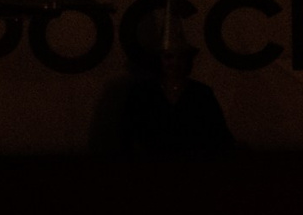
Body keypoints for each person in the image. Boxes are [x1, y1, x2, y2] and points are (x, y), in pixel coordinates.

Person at [91, 38, 236, 158]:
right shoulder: (142, 93)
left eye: (181, 57)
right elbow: (127, 132)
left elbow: (218, 133)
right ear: (159, 60)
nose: (175, 63)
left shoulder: (202, 93)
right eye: (169, 57)